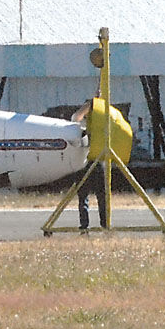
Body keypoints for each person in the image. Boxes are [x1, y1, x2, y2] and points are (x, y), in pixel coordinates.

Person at [72, 97, 107, 231]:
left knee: (89, 195)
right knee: (95, 195)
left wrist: (91, 103)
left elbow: (76, 117)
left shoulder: (91, 125)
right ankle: (102, 223)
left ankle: (87, 225)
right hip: (92, 159)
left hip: (90, 160)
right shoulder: (100, 120)